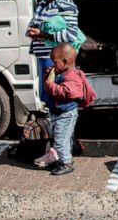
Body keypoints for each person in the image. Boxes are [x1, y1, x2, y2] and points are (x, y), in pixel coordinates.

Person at [38, 43, 95, 175]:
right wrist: (50, 76)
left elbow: (69, 92)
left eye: (54, 62)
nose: (52, 64)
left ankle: (66, 163)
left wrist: (51, 86)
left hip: (66, 114)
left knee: (60, 140)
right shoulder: (62, 72)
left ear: (65, 61)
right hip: (57, 112)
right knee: (61, 137)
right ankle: (65, 157)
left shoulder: (72, 76)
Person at [27, 0, 80, 101]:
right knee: (45, 92)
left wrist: (41, 34)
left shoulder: (67, 6)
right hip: (42, 55)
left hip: (54, 57)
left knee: (52, 94)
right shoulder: (46, 1)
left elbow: (71, 35)